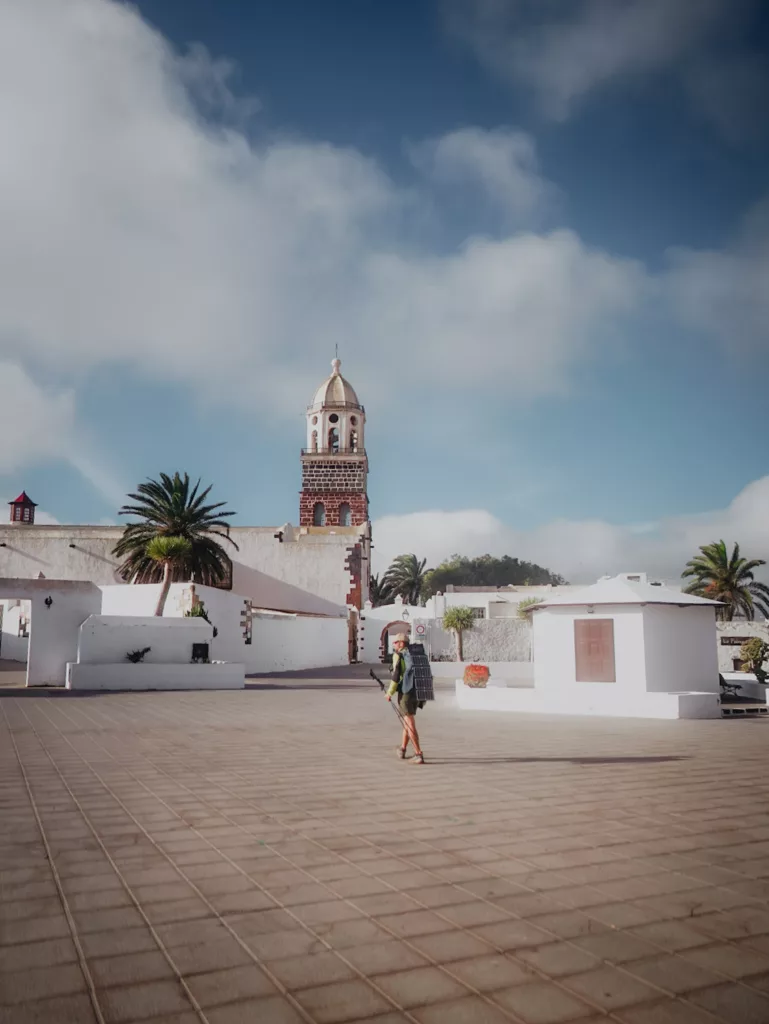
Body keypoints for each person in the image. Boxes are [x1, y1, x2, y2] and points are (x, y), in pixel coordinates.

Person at [386, 633, 424, 764]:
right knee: (407, 720)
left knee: (409, 722)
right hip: (418, 692)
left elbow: (396, 675)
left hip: (406, 692)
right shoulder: (416, 654)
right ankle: (402, 749)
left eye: (395, 642)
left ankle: (418, 754)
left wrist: (389, 693)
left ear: (401, 643)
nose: (394, 644)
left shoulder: (400, 655)